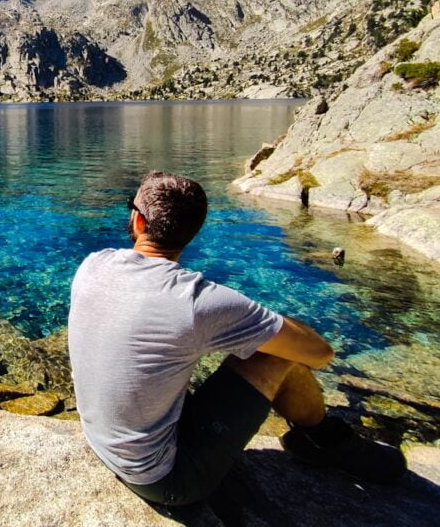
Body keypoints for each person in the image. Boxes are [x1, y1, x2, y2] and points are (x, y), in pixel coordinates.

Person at [67, 171, 406, 507]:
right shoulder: (198, 302)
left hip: (103, 443)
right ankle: (324, 440)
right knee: (276, 355)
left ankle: (318, 438)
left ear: (138, 222)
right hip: (168, 481)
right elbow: (320, 354)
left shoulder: (94, 264)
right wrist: (267, 322)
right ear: (193, 232)